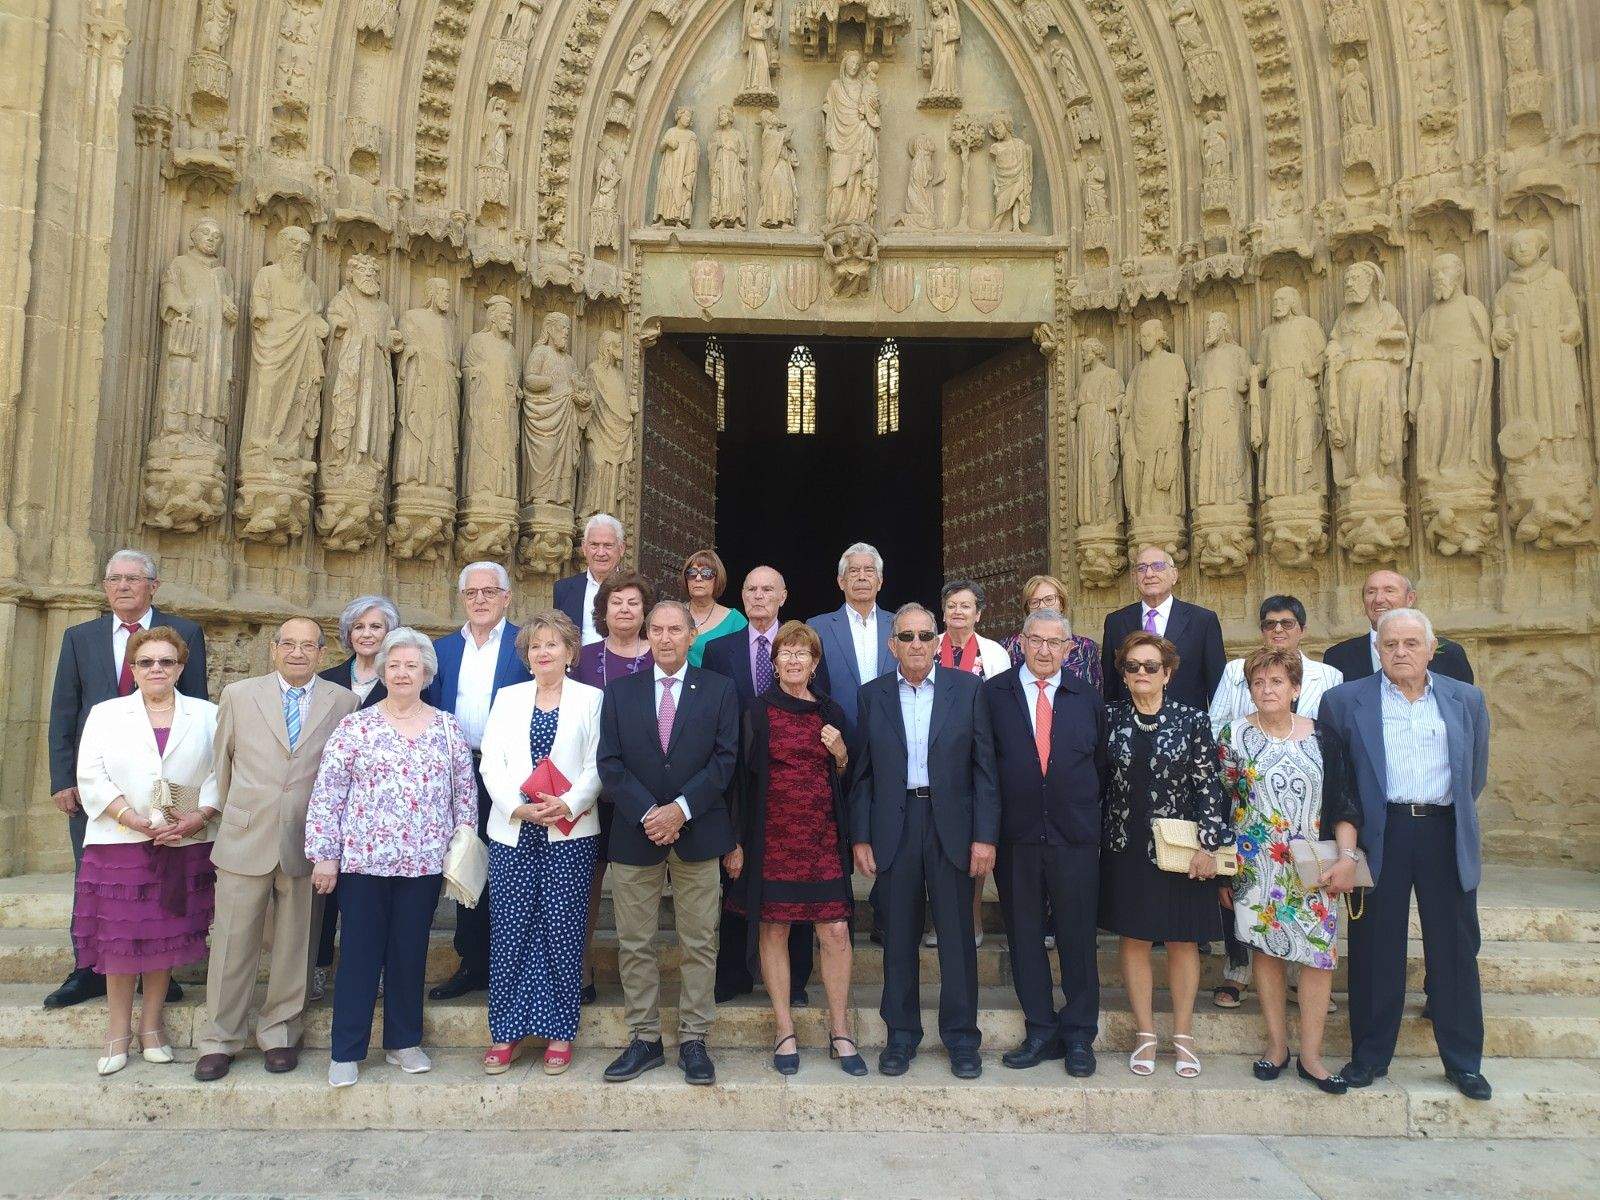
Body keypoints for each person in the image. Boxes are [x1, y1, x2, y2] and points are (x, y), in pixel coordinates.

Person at [1318, 608, 1493, 1101]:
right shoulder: (1345, 701)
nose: (1400, 652)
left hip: (1443, 830)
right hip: (1380, 833)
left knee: (1455, 950)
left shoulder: (1467, 699)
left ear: (1432, 649)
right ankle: (1369, 1057)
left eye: (1411, 643)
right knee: (1375, 949)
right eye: (1390, 644)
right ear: (1377, 649)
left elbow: (1472, 774)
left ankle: (1463, 1062)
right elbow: (1341, 784)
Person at [306, 628, 477, 1088]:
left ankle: (404, 1042)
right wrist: (325, 855)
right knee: (360, 953)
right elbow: (328, 792)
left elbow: (464, 797)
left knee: (409, 953)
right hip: (362, 861)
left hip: (423, 864)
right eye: (394, 665)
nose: (403, 673)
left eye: (412, 666)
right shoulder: (356, 725)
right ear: (382, 671)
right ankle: (346, 1049)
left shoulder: (446, 727)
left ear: (426, 673)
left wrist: (460, 850)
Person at [192, 619, 359, 1082]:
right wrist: (234, 815)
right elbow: (221, 765)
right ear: (274, 649)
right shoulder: (239, 695)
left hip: (308, 839)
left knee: (296, 942)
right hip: (246, 835)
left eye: (309, 645)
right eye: (289, 644)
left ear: (323, 653)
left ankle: (281, 1032)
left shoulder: (344, 702)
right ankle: (220, 1038)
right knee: (231, 942)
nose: (298, 653)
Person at [45, 549, 208, 1010]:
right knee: (94, 877)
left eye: (132, 579)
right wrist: (63, 778)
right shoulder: (81, 637)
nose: (122, 586)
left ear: (153, 585)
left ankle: (160, 966)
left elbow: (195, 711)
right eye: (113, 578)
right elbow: (64, 710)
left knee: (162, 873)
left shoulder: (185, 633)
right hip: (95, 784)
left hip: (165, 782)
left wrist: (186, 796)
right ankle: (89, 968)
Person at [851, 603, 998, 1080]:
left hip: (951, 824)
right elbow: (863, 774)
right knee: (897, 937)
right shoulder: (871, 695)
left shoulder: (969, 689)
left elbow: (984, 770)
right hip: (895, 824)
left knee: (957, 937)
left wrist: (984, 837)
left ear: (938, 642)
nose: (915, 644)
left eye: (924, 636)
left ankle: (961, 1039)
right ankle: (900, 1036)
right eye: (906, 636)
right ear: (892, 644)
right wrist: (861, 836)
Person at [597, 600, 739, 1086]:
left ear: (690, 635)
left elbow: (725, 760)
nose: (664, 638)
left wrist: (680, 808)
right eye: (655, 629)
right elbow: (610, 764)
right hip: (636, 835)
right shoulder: (619, 693)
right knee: (635, 942)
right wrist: (649, 813)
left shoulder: (720, 690)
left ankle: (695, 1038)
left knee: (699, 941)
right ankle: (645, 1039)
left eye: (674, 630)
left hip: (698, 832)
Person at [72, 626, 218, 1075]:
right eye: (147, 662)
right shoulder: (106, 713)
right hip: (120, 843)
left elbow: (221, 772)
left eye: (167, 662)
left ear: (180, 667)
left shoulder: (208, 714)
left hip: (184, 841)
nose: (157, 669)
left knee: (164, 936)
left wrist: (199, 815)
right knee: (121, 941)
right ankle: (117, 1033)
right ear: (133, 669)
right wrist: (130, 818)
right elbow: (91, 774)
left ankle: (151, 1027)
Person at [724, 621, 865, 1076]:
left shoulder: (831, 712)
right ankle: (784, 1028)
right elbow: (740, 782)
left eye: (802, 654)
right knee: (775, 930)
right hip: (773, 840)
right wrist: (737, 842)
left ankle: (839, 1029)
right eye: (785, 653)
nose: (793, 660)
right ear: (774, 661)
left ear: (815, 663)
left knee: (836, 932)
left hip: (822, 840)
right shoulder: (756, 711)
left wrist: (840, 752)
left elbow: (847, 778)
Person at [1217, 648, 1361, 1094]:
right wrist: (1225, 871)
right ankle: (1277, 1046)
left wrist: (1347, 859)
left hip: (1312, 864)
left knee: (1318, 957)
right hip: (1255, 865)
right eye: (1258, 683)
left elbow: (1344, 804)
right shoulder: (1233, 737)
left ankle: (1313, 1056)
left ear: (1296, 688)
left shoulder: (1324, 738)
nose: (1267, 690)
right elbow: (1220, 807)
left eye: (1277, 682)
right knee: (1267, 952)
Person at [1098, 632, 1231, 1079]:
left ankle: (1184, 1034)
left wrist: (1209, 846)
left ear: (1168, 673)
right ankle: (1145, 1033)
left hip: (1179, 849)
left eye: (1150, 666)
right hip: (1124, 846)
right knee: (1134, 939)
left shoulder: (1191, 720)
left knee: (1181, 939)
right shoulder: (1109, 718)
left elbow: (1209, 785)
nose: (1140, 673)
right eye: (1132, 666)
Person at [479, 611, 603, 1076]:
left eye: (553, 644)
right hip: (513, 830)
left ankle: (558, 1032)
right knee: (511, 930)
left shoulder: (591, 699)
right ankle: (506, 1032)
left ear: (571, 653)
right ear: (527, 655)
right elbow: (491, 761)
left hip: (569, 833)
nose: (544, 652)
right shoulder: (508, 698)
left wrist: (567, 803)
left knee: (562, 930)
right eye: (535, 646)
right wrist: (518, 806)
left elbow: (597, 764)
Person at [1206, 594, 1344, 1010]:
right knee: (1256, 932)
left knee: (1313, 936)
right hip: (1255, 827)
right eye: (1269, 624)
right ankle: (1238, 971)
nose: (1278, 630)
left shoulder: (1330, 676)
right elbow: (1222, 764)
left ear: (1302, 628)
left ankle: (1306, 989)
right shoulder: (1236, 672)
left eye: (1286, 623)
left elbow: (1336, 771)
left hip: (1309, 831)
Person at [985, 609, 1106, 1078]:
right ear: (1021, 642)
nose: (1044, 650)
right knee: (1024, 936)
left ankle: (1078, 1035)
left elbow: (1099, 768)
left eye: (1054, 643)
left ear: (1069, 648)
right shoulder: (993, 694)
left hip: (1074, 838)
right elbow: (985, 765)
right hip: (1016, 838)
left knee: (1077, 937)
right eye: (1035, 640)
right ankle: (1039, 1027)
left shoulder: (1086, 697)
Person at [701, 566, 816, 1006]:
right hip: (737, 781)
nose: (759, 596)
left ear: (783, 595)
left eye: (768, 588)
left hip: (790, 782)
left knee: (795, 879)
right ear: (741, 598)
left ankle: (797, 980)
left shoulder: (800, 647)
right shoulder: (718, 649)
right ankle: (733, 974)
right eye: (751, 589)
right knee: (736, 878)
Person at [422, 562, 531, 1000]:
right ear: (462, 598)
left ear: (507, 596)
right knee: (466, 863)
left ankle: (514, 963)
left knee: (511, 869)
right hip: (458, 771)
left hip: (510, 775)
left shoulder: (527, 645)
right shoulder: (441, 650)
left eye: (490, 591)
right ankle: (472, 962)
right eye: (472, 593)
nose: (481, 599)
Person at [569, 570, 655, 1003]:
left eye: (633, 602)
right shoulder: (581, 658)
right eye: (616, 602)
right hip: (591, 789)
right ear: (602, 611)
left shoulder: (662, 656)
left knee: (638, 887)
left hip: (642, 788)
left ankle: (636, 973)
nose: (624, 609)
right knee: (589, 882)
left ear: (645, 611)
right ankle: (581, 968)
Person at [311, 595, 399, 1000]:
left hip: (381, 806)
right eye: (359, 627)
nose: (367, 634)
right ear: (347, 635)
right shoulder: (324, 679)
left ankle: (374, 969)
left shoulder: (401, 678)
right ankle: (318, 967)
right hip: (327, 796)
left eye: (376, 627)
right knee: (323, 891)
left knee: (373, 897)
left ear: (390, 634)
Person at [930, 579, 1008, 950]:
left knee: (971, 840)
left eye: (966, 606)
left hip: (974, 756)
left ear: (979, 613)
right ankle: (935, 920)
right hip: (930, 756)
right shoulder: (927, 645)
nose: (957, 612)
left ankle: (973, 914)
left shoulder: (994, 653)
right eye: (951, 605)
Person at [1101, 546, 1225, 709]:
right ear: (1134, 577)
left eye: (1158, 566)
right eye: (1142, 568)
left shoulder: (1202, 620)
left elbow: (1218, 687)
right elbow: (1110, 686)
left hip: (1186, 726)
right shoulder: (1115, 622)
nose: (1149, 574)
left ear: (1174, 575)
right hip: (1129, 726)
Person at [1324, 569, 1475, 684]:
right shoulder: (1338, 657)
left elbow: (1463, 711)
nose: (1379, 599)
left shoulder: (1449, 654)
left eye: (1389, 590)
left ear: (1410, 599)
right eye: (1371, 592)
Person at [807, 541, 896, 737]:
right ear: (841, 581)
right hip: (837, 735)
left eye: (869, 571)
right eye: (854, 571)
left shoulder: (899, 625)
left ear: (880, 581)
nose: (862, 577)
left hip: (892, 734)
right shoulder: (817, 627)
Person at [1001, 573, 1102, 693]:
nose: (1042, 606)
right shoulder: (1008, 646)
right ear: (1027, 609)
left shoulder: (1085, 647)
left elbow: (1096, 693)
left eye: (1049, 599)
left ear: (1061, 604)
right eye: (1034, 602)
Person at [554, 512, 626, 646]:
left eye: (608, 545)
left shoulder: (640, 590)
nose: (600, 553)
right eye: (594, 545)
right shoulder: (563, 590)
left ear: (621, 548)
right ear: (584, 547)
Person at [682, 548, 746, 667]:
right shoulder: (672, 614)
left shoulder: (735, 621)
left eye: (706, 573)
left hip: (718, 684)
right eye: (692, 573)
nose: (698, 578)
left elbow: (744, 664)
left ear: (717, 579)